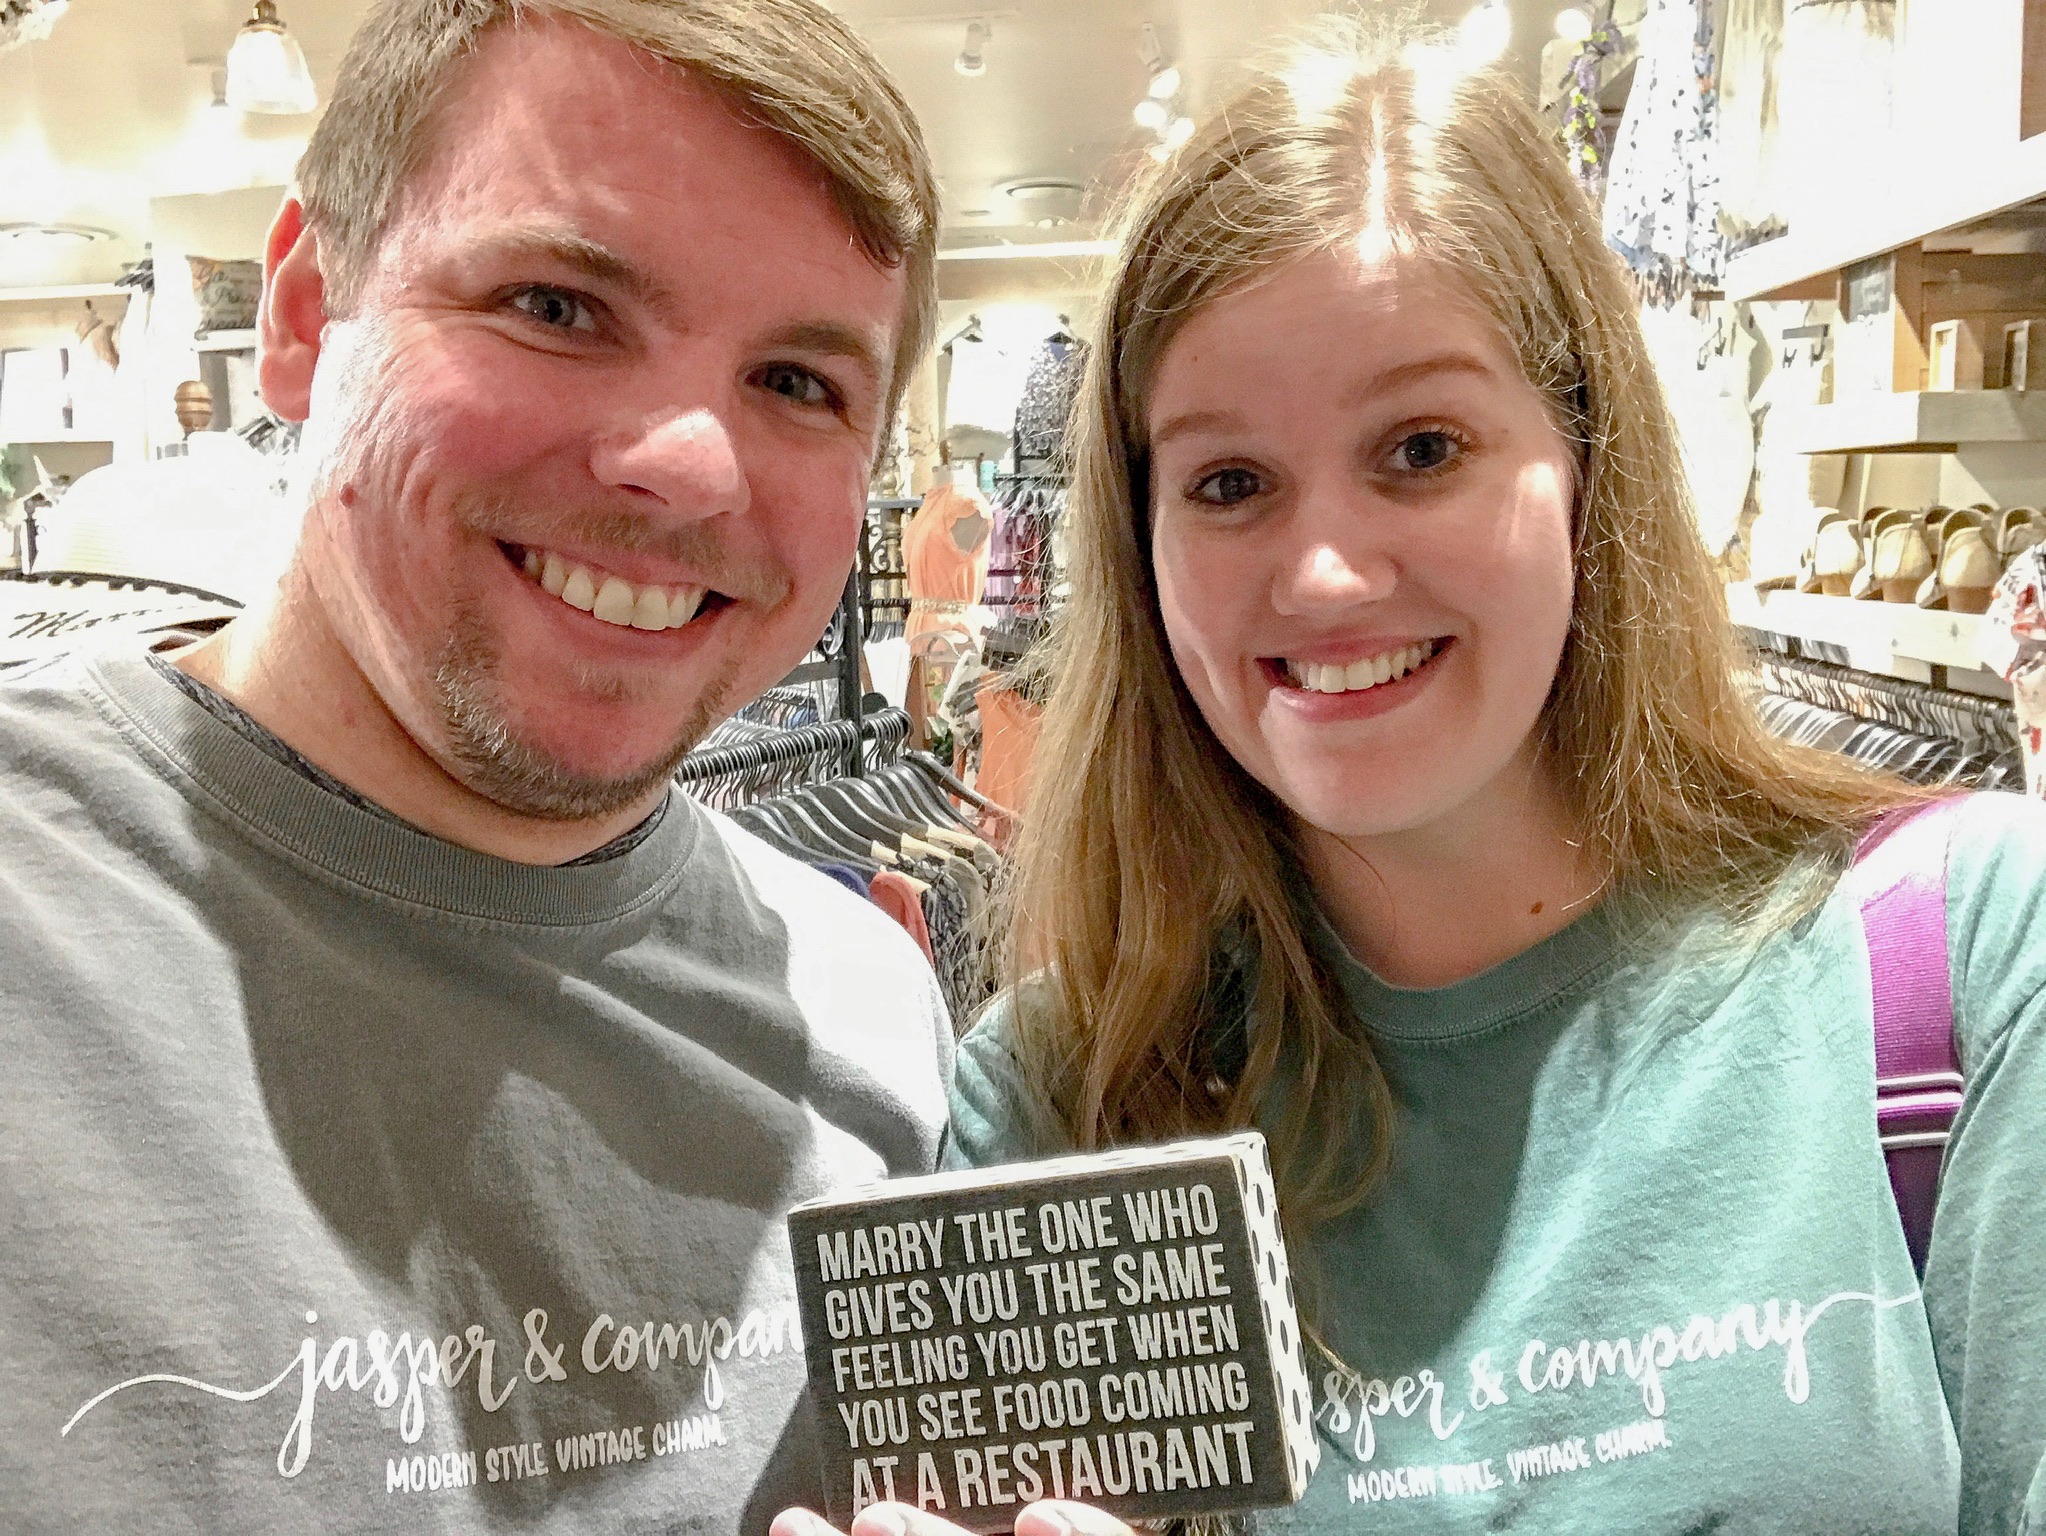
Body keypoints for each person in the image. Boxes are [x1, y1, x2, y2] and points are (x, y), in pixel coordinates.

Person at [781, 17, 2046, 1536]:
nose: (1321, 575)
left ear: (1579, 462)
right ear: (1145, 548)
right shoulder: (1062, 1098)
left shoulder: (1962, 961)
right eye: (1228, 482)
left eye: (1423, 447)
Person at [0, 0, 953, 1527]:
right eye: (559, 307)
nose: (692, 465)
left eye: (798, 384)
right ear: (309, 319)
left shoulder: (867, 1018)